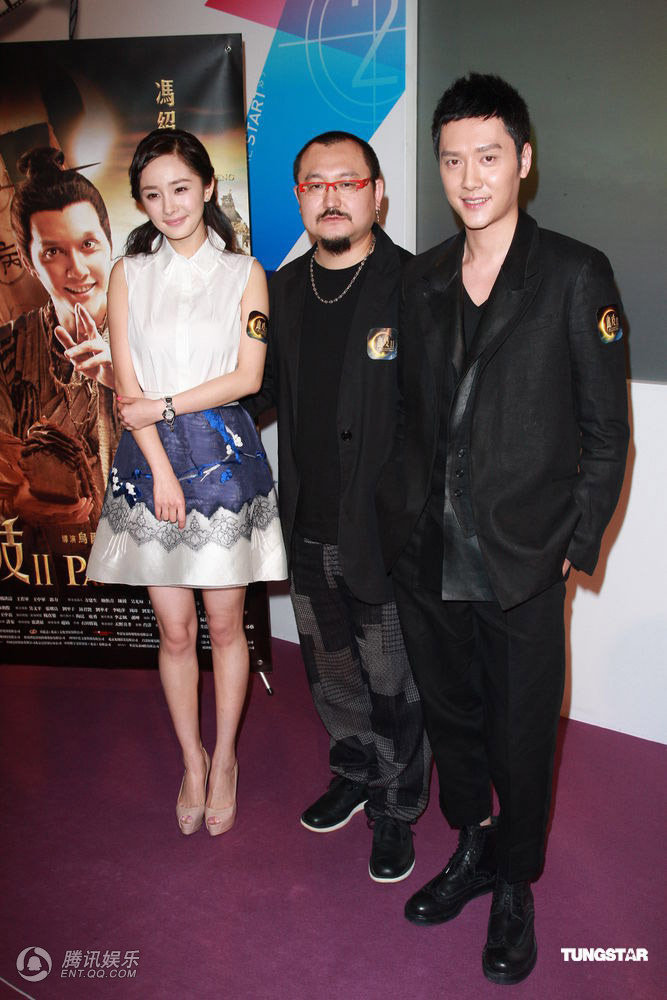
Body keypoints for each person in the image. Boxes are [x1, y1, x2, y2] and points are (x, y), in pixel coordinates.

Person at [376, 74, 629, 984]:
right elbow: (407, 416)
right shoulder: (421, 277)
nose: (469, 178)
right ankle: (473, 846)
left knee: (522, 731)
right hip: (427, 552)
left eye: (487, 157)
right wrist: (395, 520)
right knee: (453, 720)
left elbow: (606, 433)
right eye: (452, 160)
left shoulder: (573, 273)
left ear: (523, 159)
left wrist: (573, 548)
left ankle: (515, 881)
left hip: (520, 560)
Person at [86, 129, 287, 836]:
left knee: (225, 626)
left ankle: (225, 757)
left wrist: (167, 406)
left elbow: (248, 377)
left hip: (225, 465)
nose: (169, 205)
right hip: (150, 469)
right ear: (140, 203)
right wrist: (162, 467)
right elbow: (127, 390)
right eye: (152, 194)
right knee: (174, 631)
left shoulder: (245, 273)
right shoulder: (127, 274)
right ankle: (191, 761)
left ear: (206, 187)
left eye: (180, 188)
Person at [243, 131, 430, 882]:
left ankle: (397, 805)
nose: (330, 197)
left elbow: (435, 420)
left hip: (382, 533)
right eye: (314, 184)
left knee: (392, 677)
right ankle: (352, 770)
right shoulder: (282, 290)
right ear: (299, 199)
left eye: (346, 182)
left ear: (376, 193)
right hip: (306, 521)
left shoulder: (416, 288)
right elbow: (256, 391)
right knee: (331, 669)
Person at [0, 147, 117, 525]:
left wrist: (126, 381)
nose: (77, 269)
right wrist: (17, 498)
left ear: (109, 242)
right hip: (47, 556)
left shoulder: (155, 330)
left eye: (88, 244)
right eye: (53, 252)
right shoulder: (9, 352)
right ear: (29, 262)